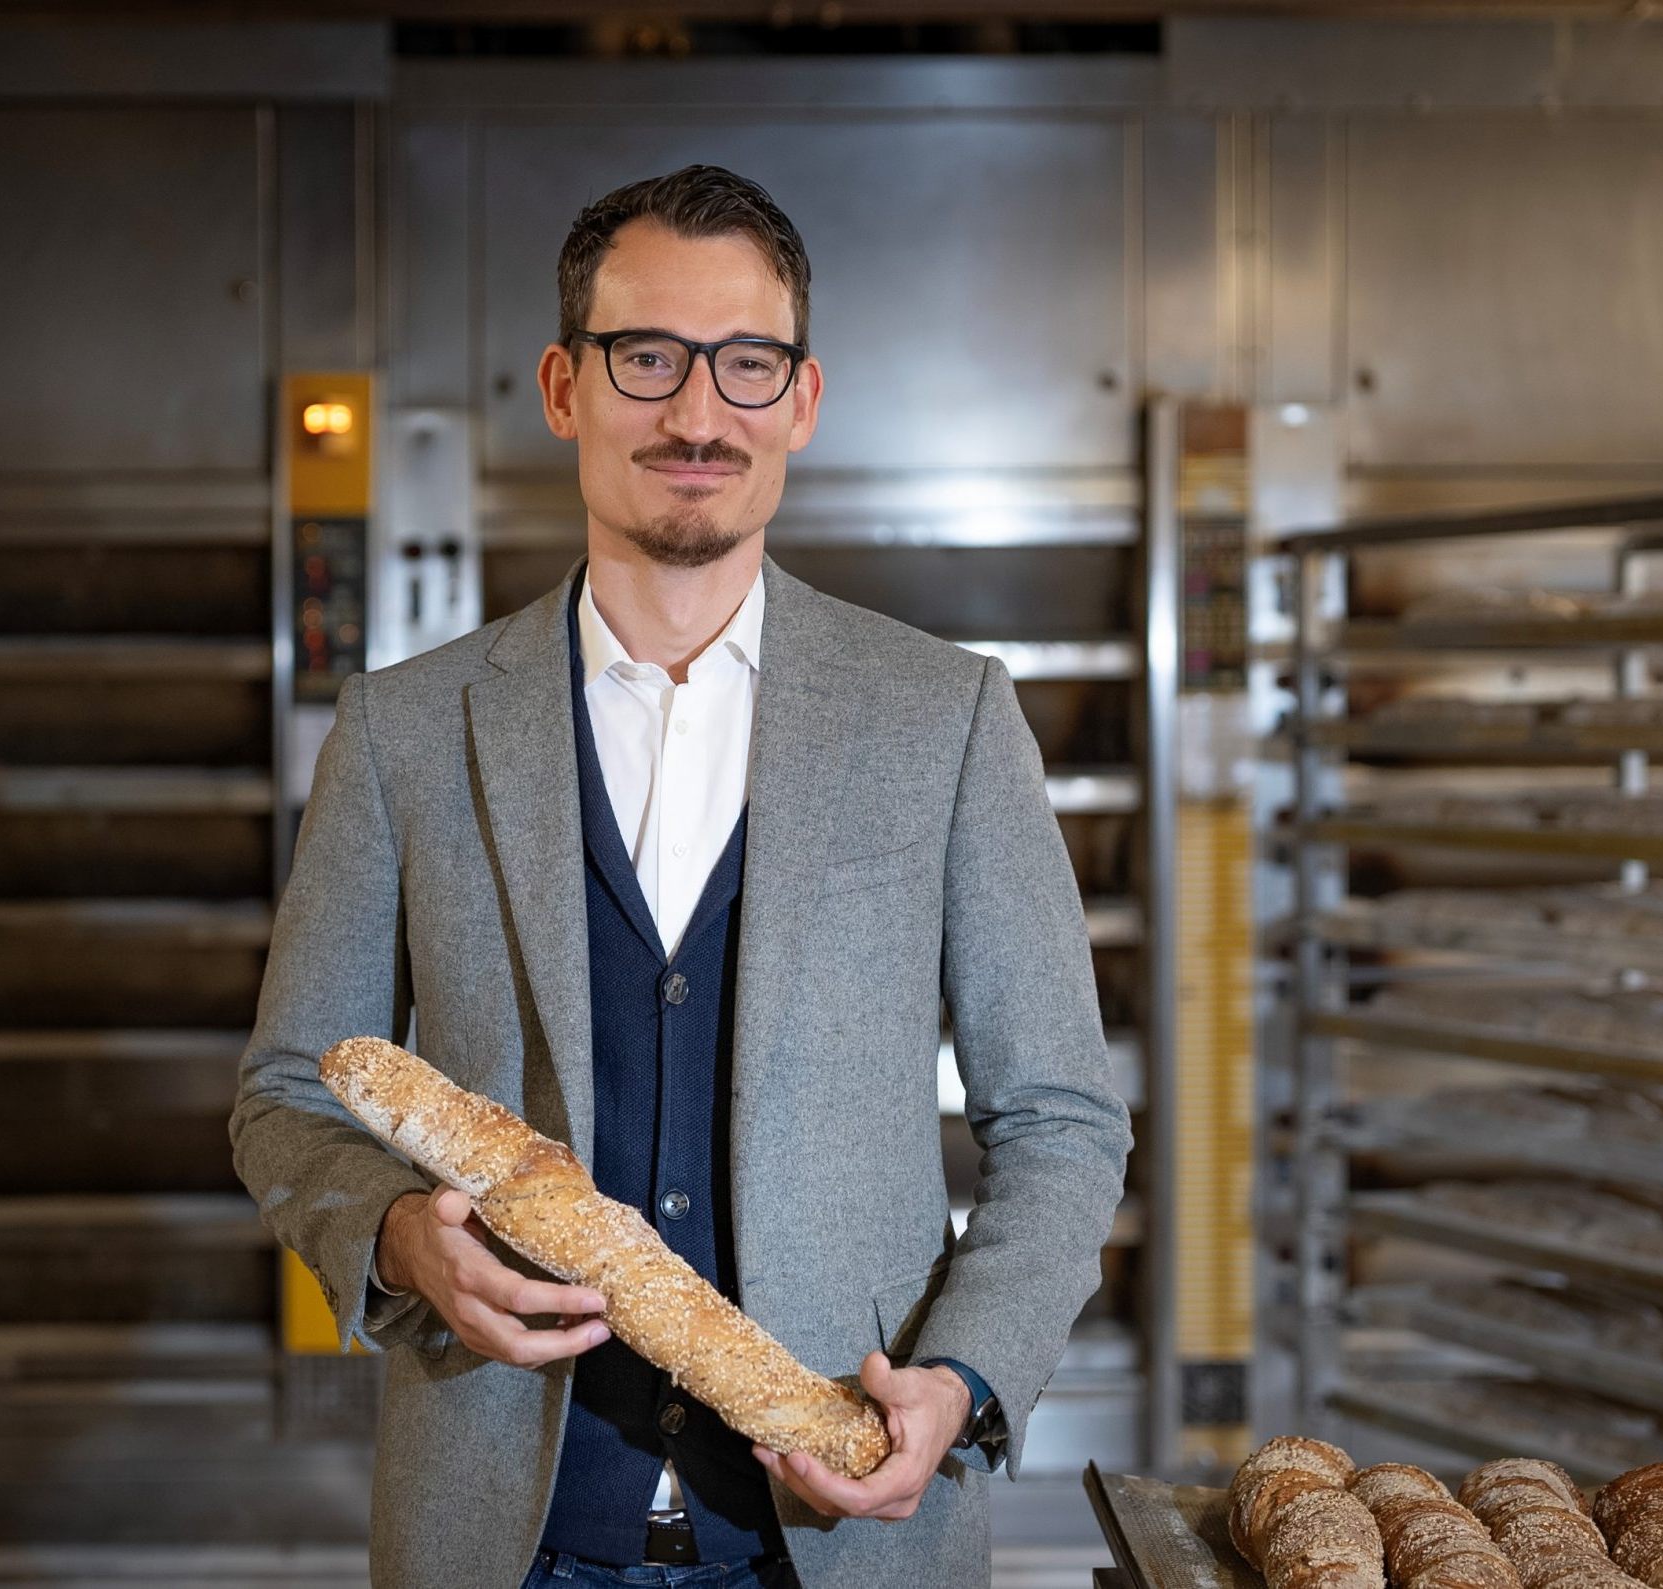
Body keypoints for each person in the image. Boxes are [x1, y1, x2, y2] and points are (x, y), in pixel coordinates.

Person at [230, 163, 1131, 1589]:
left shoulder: (945, 718)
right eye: (646, 357)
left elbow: (1063, 1122)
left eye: (746, 363)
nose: (698, 414)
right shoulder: (405, 730)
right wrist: (399, 1239)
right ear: (563, 386)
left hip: (844, 1537)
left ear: (803, 400)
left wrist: (962, 1378)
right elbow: (288, 1092)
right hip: (503, 1535)